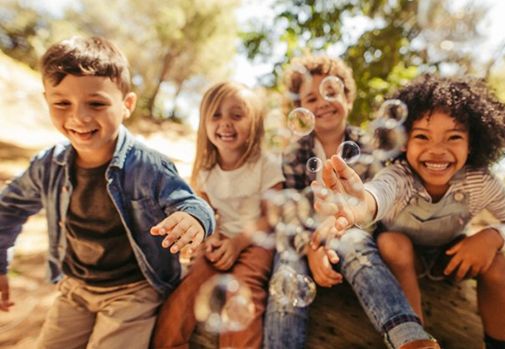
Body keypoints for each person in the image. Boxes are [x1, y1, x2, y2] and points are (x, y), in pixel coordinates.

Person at [0, 36, 215, 349]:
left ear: (127, 104)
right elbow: (9, 208)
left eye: (96, 103)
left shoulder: (149, 166)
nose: (79, 117)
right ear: (46, 100)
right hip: (76, 287)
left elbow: (195, 205)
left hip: (133, 291)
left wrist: (192, 219)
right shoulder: (48, 166)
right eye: (62, 103)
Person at [314, 75, 505, 349]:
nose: (437, 151)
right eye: (422, 136)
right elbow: (378, 195)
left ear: (473, 144)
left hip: (451, 255)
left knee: (498, 262)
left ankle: (503, 346)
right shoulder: (400, 176)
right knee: (391, 242)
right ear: (403, 142)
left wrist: (492, 237)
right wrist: (361, 205)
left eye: (454, 137)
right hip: (404, 257)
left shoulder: (479, 181)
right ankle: (415, 338)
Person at [264, 55, 440, 349]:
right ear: (300, 110)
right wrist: (311, 247)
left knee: (356, 245)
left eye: (331, 92)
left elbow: (374, 208)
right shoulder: (295, 154)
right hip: (302, 239)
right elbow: (290, 212)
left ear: (347, 98)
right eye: (311, 97)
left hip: (352, 231)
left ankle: (410, 339)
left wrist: (336, 230)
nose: (322, 102)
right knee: (287, 271)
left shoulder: (368, 146)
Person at [152, 81, 284, 349]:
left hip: (257, 240)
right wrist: (210, 237)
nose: (225, 123)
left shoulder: (266, 163)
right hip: (220, 239)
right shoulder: (206, 171)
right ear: (204, 123)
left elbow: (271, 216)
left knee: (246, 290)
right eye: (216, 115)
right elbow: (206, 212)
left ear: (255, 123)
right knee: (190, 286)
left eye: (237, 115)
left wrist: (237, 244)